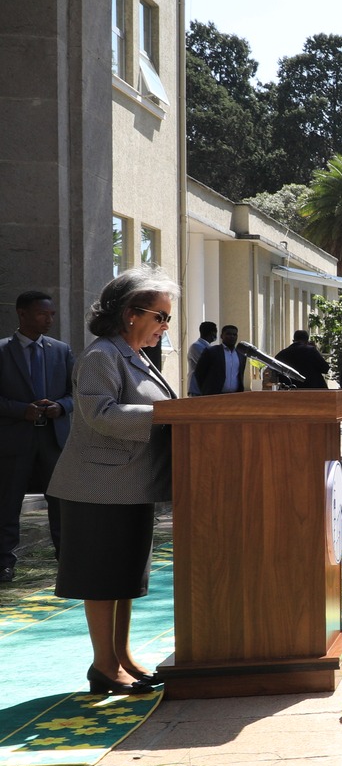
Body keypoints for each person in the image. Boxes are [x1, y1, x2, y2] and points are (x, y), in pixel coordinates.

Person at [44, 268, 179, 691]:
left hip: (131, 485)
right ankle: (104, 665)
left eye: (167, 318)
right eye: (160, 316)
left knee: (124, 578)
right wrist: (168, 415)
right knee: (103, 579)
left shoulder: (136, 355)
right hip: (97, 488)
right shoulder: (102, 355)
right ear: (130, 314)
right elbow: (99, 414)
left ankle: (121, 656)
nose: (165, 326)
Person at [0, 290, 73, 582]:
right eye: (43, 313)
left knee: (61, 504)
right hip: (14, 442)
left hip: (53, 441)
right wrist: (21, 410)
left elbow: (75, 393)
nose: (49, 319)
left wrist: (61, 406)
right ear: (22, 313)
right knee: (7, 505)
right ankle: (4, 564)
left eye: (52, 314)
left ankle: (67, 560)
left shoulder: (61, 350)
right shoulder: (3, 351)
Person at [191, 324, 248, 395]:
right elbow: (199, 372)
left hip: (235, 396)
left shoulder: (241, 355)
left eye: (234, 334)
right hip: (215, 395)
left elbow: (240, 375)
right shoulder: (211, 351)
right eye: (228, 334)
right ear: (221, 336)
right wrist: (206, 389)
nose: (232, 337)